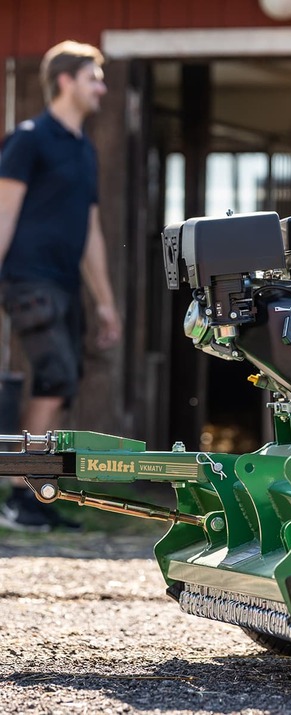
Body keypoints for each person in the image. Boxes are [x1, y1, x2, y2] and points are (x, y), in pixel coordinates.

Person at [0, 40, 121, 531]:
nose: (102, 87)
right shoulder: (29, 139)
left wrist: (106, 304)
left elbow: (90, 230)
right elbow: (4, 213)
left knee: (62, 385)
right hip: (29, 279)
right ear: (65, 80)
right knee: (51, 381)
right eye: (93, 77)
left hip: (65, 284)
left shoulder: (83, 149)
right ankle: (18, 498)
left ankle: (36, 496)